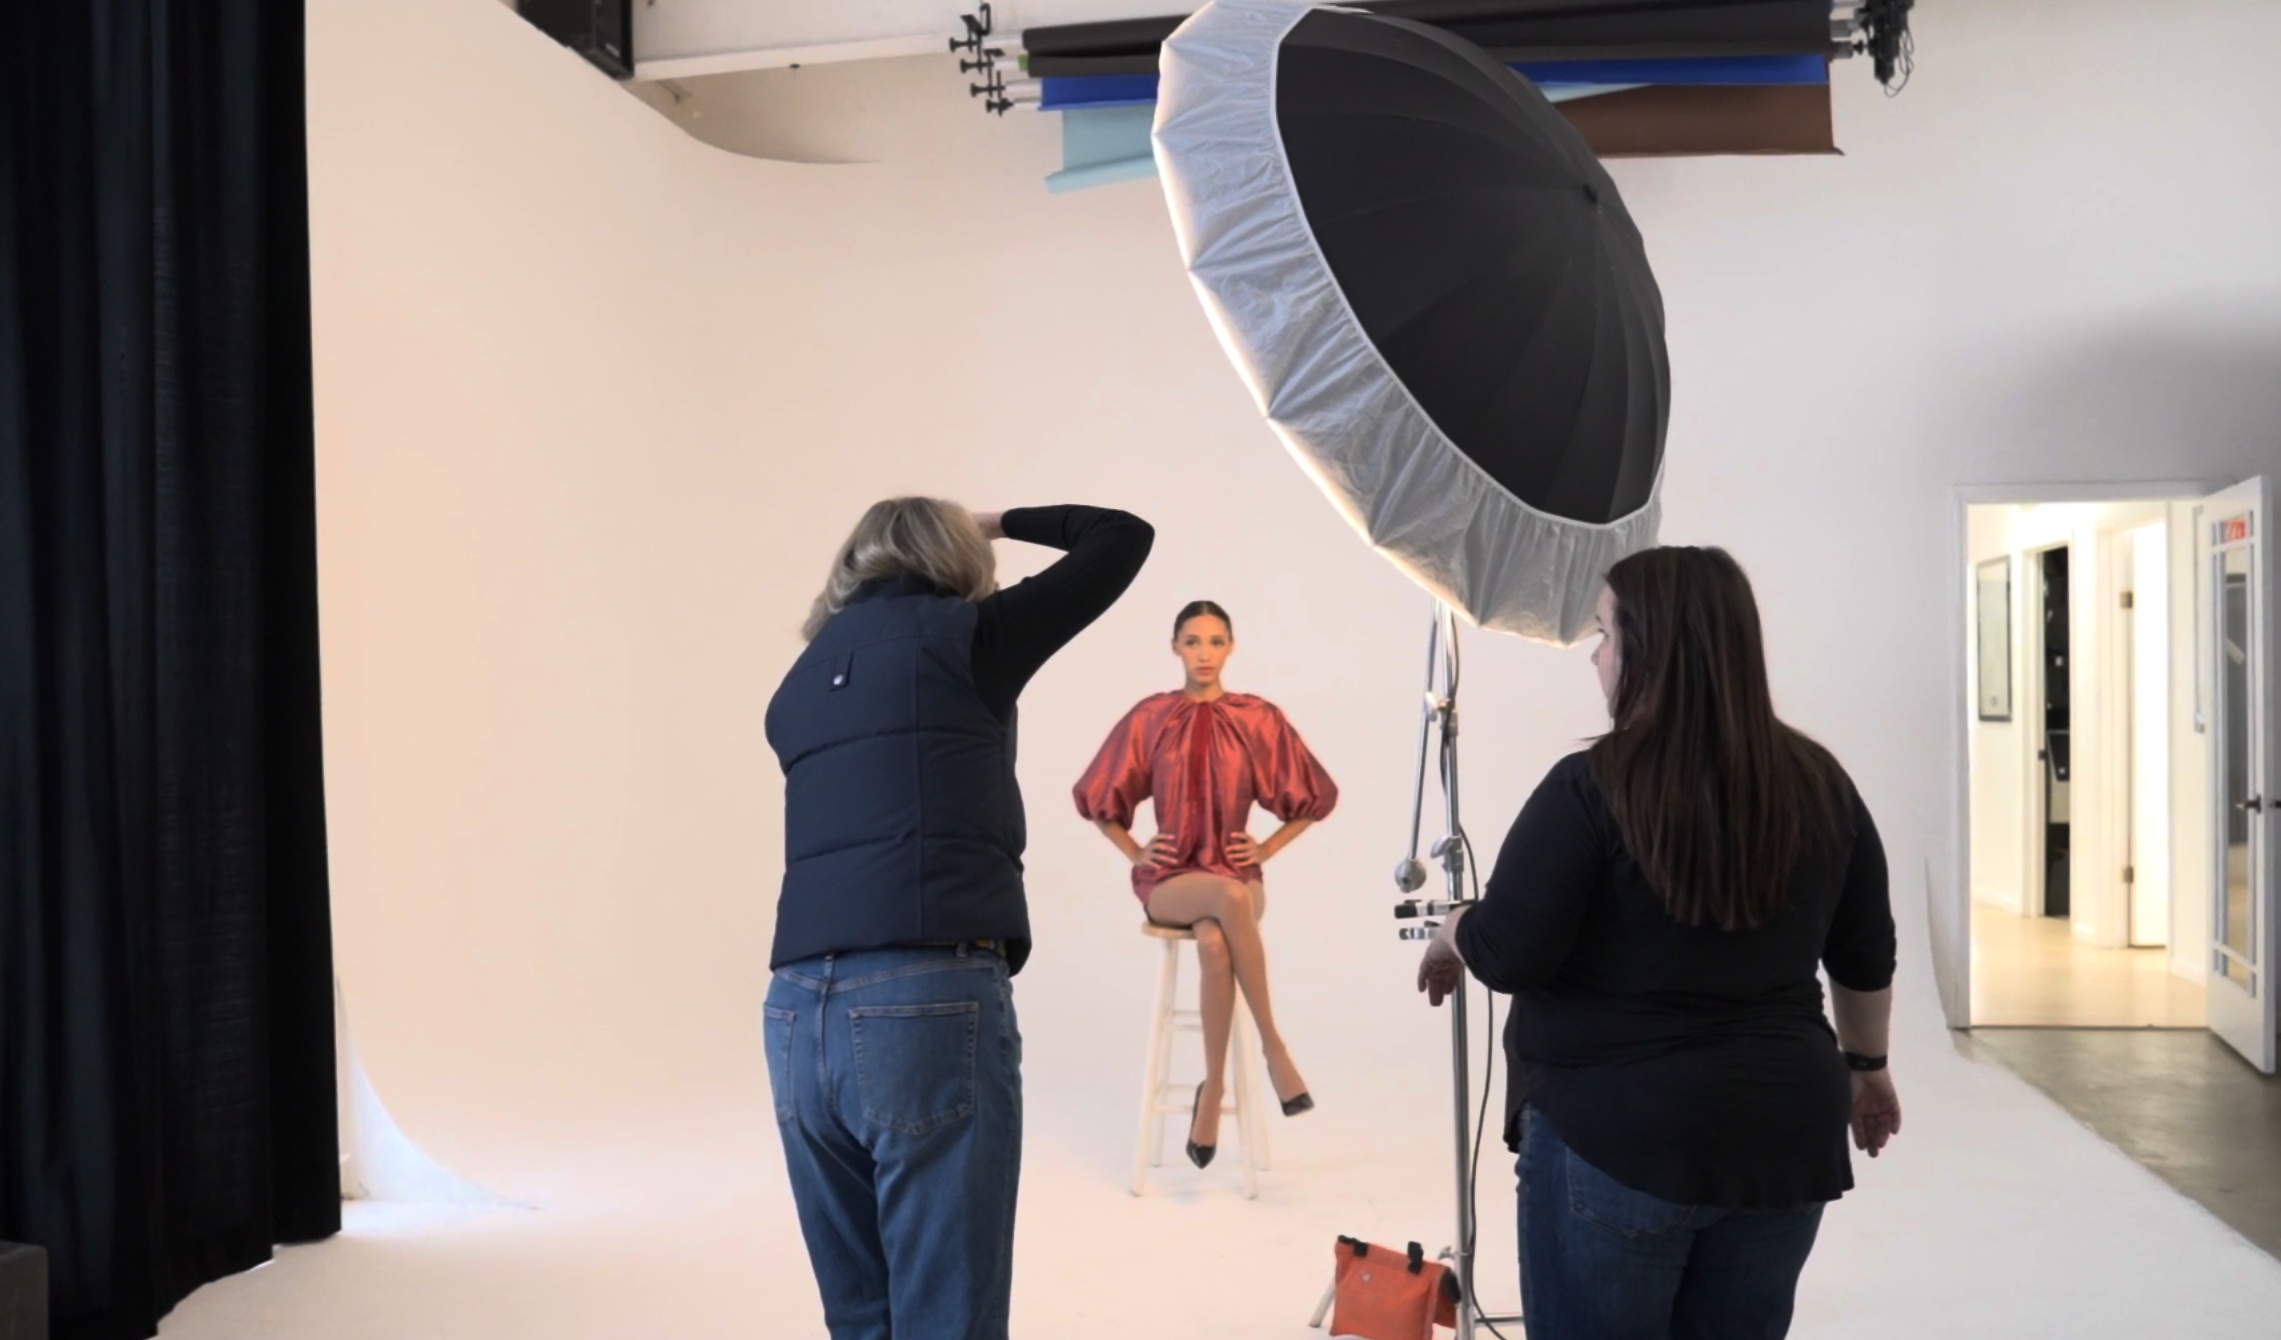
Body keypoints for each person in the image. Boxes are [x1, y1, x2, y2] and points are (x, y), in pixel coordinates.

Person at [1416, 546, 1900, 1340]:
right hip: (1782, 1134)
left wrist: (1451, 925)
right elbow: (1863, 951)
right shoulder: (1819, 781)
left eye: (1604, 635)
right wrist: (1867, 1069)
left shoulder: (1591, 787)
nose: (1596, 659)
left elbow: (1509, 954)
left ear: (1649, 649)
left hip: (1618, 1137)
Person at [764, 499, 1152, 1340]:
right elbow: (1119, 538)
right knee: (948, 1318)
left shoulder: (800, 680)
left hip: (796, 1014)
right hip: (921, 996)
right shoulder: (970, 638)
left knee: (861, 1318)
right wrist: (1000, 521)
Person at [1075, 600, 1337, 1167]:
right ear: (1175, 648)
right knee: (1227, 895)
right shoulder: (1151, 717)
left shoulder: (1257, 717)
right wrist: (1134, 848)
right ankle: (1275, 1048)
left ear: (1231, 647)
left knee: (1218, 939)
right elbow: (1098, 797)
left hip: (1238, 873)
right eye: (1193, 641)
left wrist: (1266, 846)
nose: (1204, 653)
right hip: (1170, 881)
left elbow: (1313, 796)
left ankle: (1211, 1089)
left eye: (1216, 641)